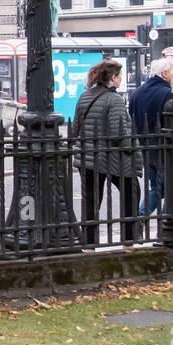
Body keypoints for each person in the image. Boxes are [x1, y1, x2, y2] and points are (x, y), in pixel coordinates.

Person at [74, 59, 141, 247]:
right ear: (113, 77)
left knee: (91, 201)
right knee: (132, 192)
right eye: (119, 76)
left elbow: (76, 128)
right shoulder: (114, 99)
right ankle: (129, 239)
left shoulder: (85, 96)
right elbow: (118, 133)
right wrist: (132, 150)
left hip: (87, 157)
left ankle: (89, 244)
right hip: (112, 158)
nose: (121, 79)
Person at [129, 56, 173, 217]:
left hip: (145, 147)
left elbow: (132, 118)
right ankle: (168, 224)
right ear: (164, 73)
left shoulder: (136, 93)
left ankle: (140, 218)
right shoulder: (167, 93)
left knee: (157, 188)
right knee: (172, 188)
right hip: (164, 147)